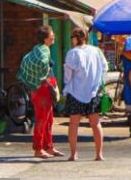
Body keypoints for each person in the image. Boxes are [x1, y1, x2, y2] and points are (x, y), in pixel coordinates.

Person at [63, 28, 107, 161]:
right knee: (95, 123)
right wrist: (97, 81)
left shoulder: (72, 53)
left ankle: (73, 154)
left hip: (76, 92)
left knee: (74, 124)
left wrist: (66, 83)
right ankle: (99, 154)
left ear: (75, 38)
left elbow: (68, 74)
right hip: (93, 91)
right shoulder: (96, 51)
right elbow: (104, 67)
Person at [18, 25, 63, 159]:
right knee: (42, 119)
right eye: (52, 34)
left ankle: (48, 147)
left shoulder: (40, 49)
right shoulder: (44, 50)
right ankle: (38, 149)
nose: (53, 36)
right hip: (42, 88)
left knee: (48, 119)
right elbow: (43, 64)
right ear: (45, 38)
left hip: (40, 87)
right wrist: (46, 76)